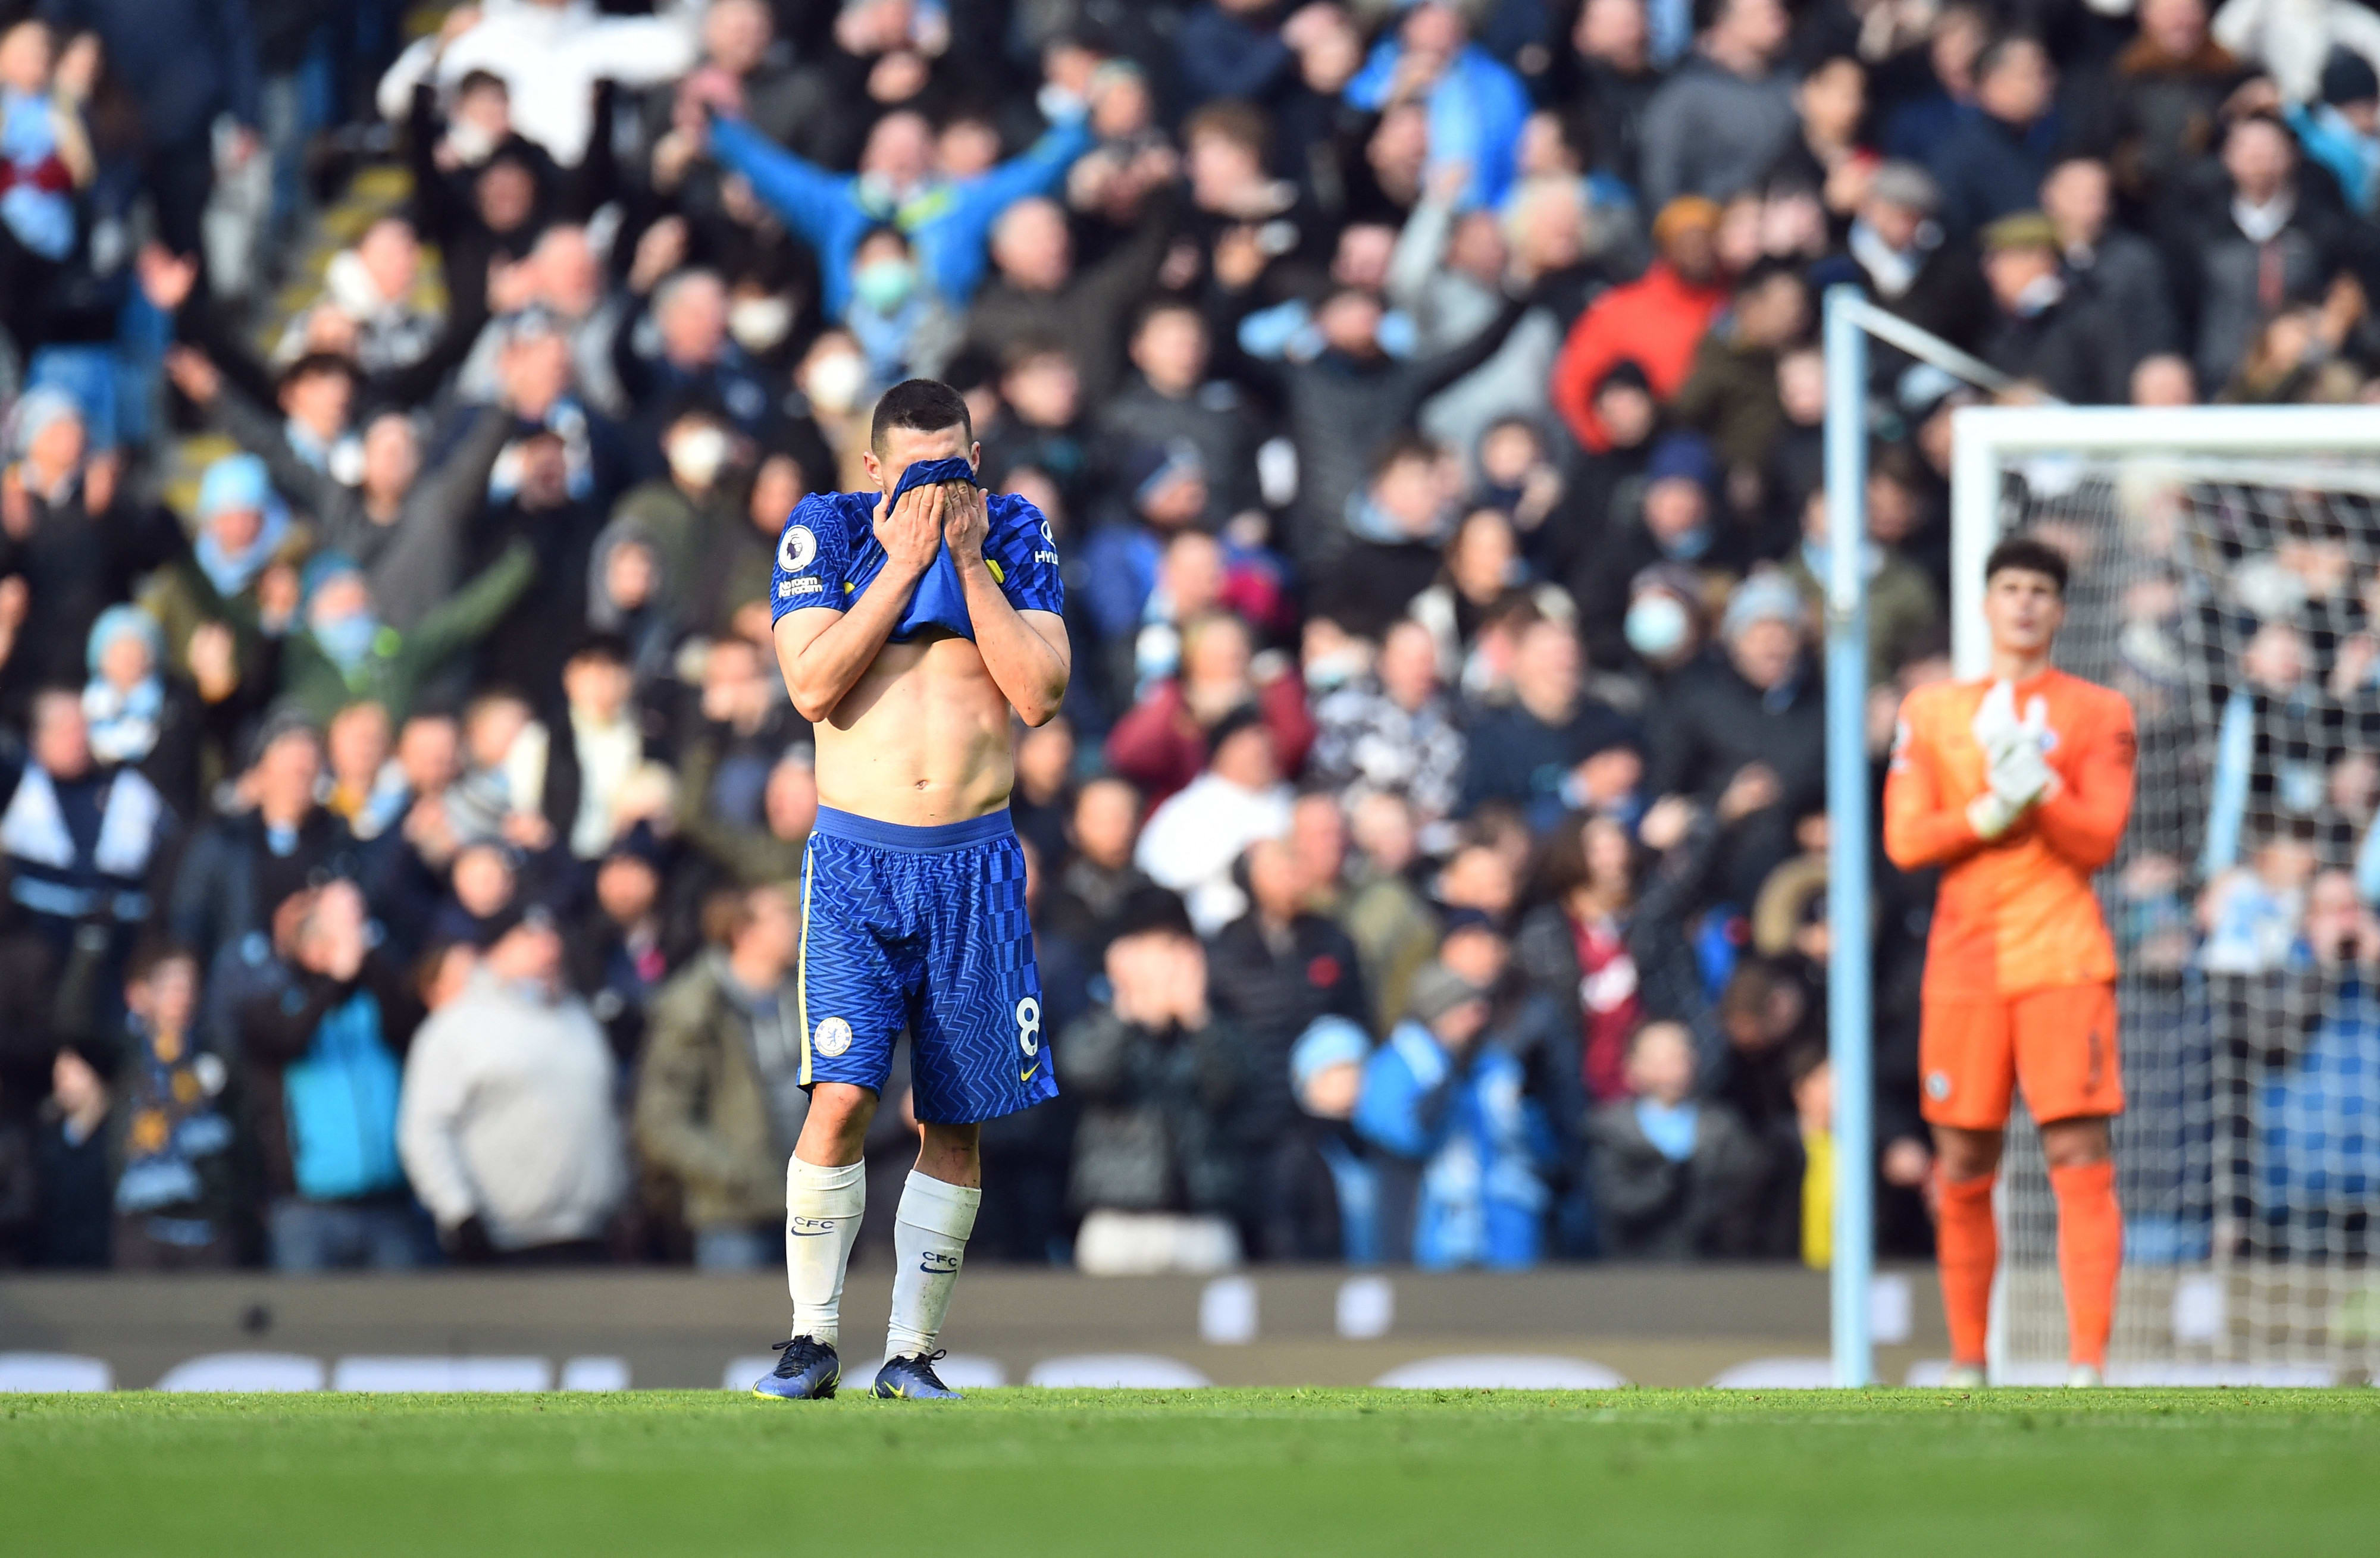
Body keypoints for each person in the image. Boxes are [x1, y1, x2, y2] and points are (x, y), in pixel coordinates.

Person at [753, 379, 1069, 1403]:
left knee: (958, 1119)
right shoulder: (827, 532)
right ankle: (810, 1338)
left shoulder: (1014, 533)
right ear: (876, 471)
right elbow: (810, 685)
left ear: (977, 460)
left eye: (954, 467)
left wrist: (966, 564)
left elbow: (1040, 693)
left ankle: (913, 1354)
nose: (938, 489)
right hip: (857, 860)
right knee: (841, 1094)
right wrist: (898, 567)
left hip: (974, 863)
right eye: (917, 471)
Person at [1882, 535, 2138, 1387]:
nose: (2025, 603)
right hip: (1965, 967)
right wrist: (1989, 813)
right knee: (1962, 1165)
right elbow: (1905, 839)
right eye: (2011, 588)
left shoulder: (2100, 712)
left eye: (2040, 590)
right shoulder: (1933, 713)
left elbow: (2099, 839)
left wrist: (2044, 791)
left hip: (2063, 957)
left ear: (2060, 612)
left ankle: (2088, 1362)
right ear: (1986, 603)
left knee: (2076, 1153)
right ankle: (1967, 1359)